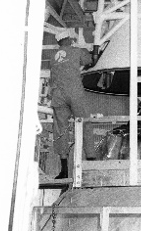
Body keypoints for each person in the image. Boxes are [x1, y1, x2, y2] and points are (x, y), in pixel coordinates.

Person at [49, 28, 94, 179]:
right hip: (74, 92)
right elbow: (90, 61)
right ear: (68, 39)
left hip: (58, 95)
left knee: (60, 130)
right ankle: (91, 159)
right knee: (84, 123)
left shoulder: (52, 57)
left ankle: (64, 170)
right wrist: (92, 51)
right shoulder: (76, 51)